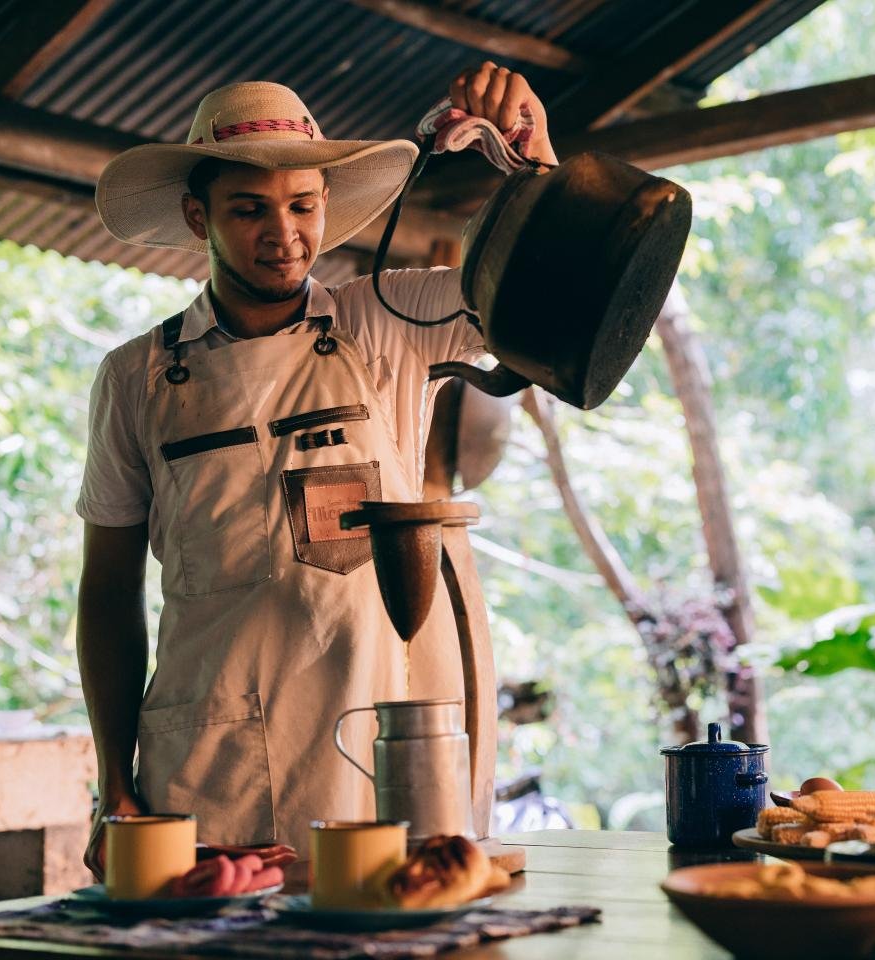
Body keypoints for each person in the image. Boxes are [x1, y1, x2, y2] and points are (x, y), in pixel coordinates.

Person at [75, 63, 557, 876]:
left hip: (379, 752)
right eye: (249, 209)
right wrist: (111, 785)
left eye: (303, 205)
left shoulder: (390, 321)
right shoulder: (138, 377)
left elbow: (542, 295)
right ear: (199, 216)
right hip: (206, 768)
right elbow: (108, 591)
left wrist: (531, 159)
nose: (283, 232)